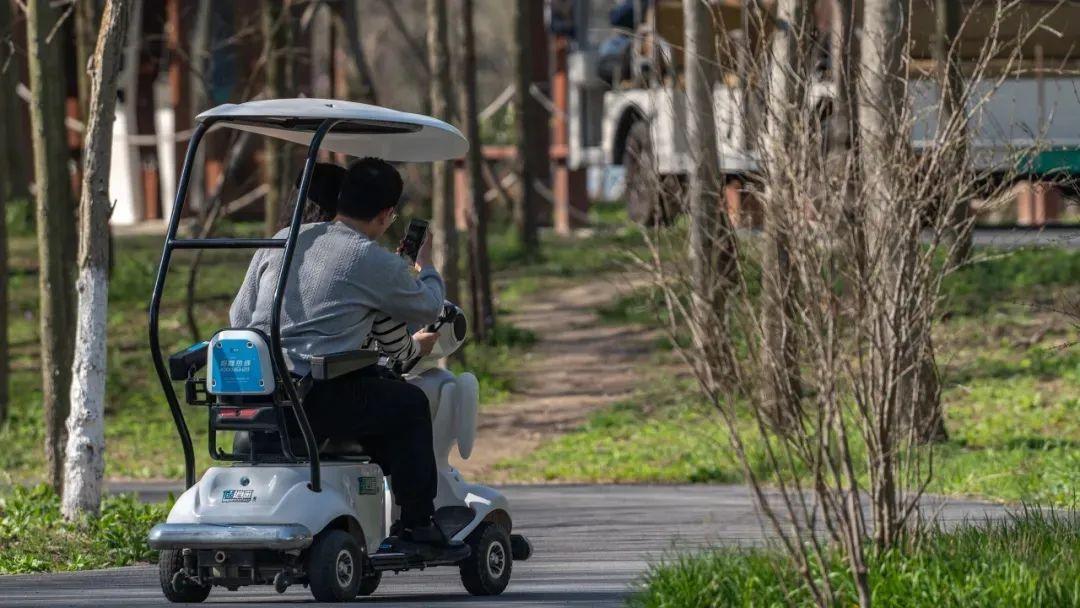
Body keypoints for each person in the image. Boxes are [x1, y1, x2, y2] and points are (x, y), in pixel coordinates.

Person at [229, 157, 463, 560]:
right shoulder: (368, 258)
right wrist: (428, 266)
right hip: (317, 397)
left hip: (259, 395)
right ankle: (417, 523)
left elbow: (238, 316)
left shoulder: (283, 239)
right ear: (388, 214)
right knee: (409, 404)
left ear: (342, 199)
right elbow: (426, 307)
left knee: (379, 398)